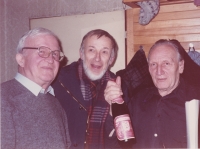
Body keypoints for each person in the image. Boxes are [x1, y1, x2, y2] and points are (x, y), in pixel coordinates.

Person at [104, 39, 200, 148]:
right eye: (153, 64)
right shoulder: (137, 100)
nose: (159, 71)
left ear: (180, 66)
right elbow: (114, 145)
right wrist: (113, 110)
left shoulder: (196, 100)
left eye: (166, 63)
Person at [1, 27, 71, 149]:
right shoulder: (3, 98)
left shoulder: (55, 103)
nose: (50, 59)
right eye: (42, 51)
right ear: (21, 59)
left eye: (55, 54)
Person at [52, 29, 121, 149]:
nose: (97, 58)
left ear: (111, 59)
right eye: (91, 50)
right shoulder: (57, 81)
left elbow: (121, 143)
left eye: (104, 52)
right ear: (82, 54)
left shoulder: (119, 87)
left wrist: (113, 111)